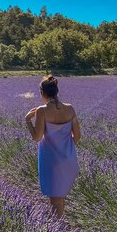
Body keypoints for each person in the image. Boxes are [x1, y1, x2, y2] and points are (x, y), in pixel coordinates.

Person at [25, 75, 80, 218]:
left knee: (55, 199)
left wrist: (28, 121)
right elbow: (77, 136)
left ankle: (57, 231)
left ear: (42, 93)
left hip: (51, 160)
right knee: (59, 197)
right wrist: (63, 147)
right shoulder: (70, 109)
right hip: (68, 159)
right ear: (56, 91)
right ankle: (59, 226)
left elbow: (37, 137)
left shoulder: (42, 111)